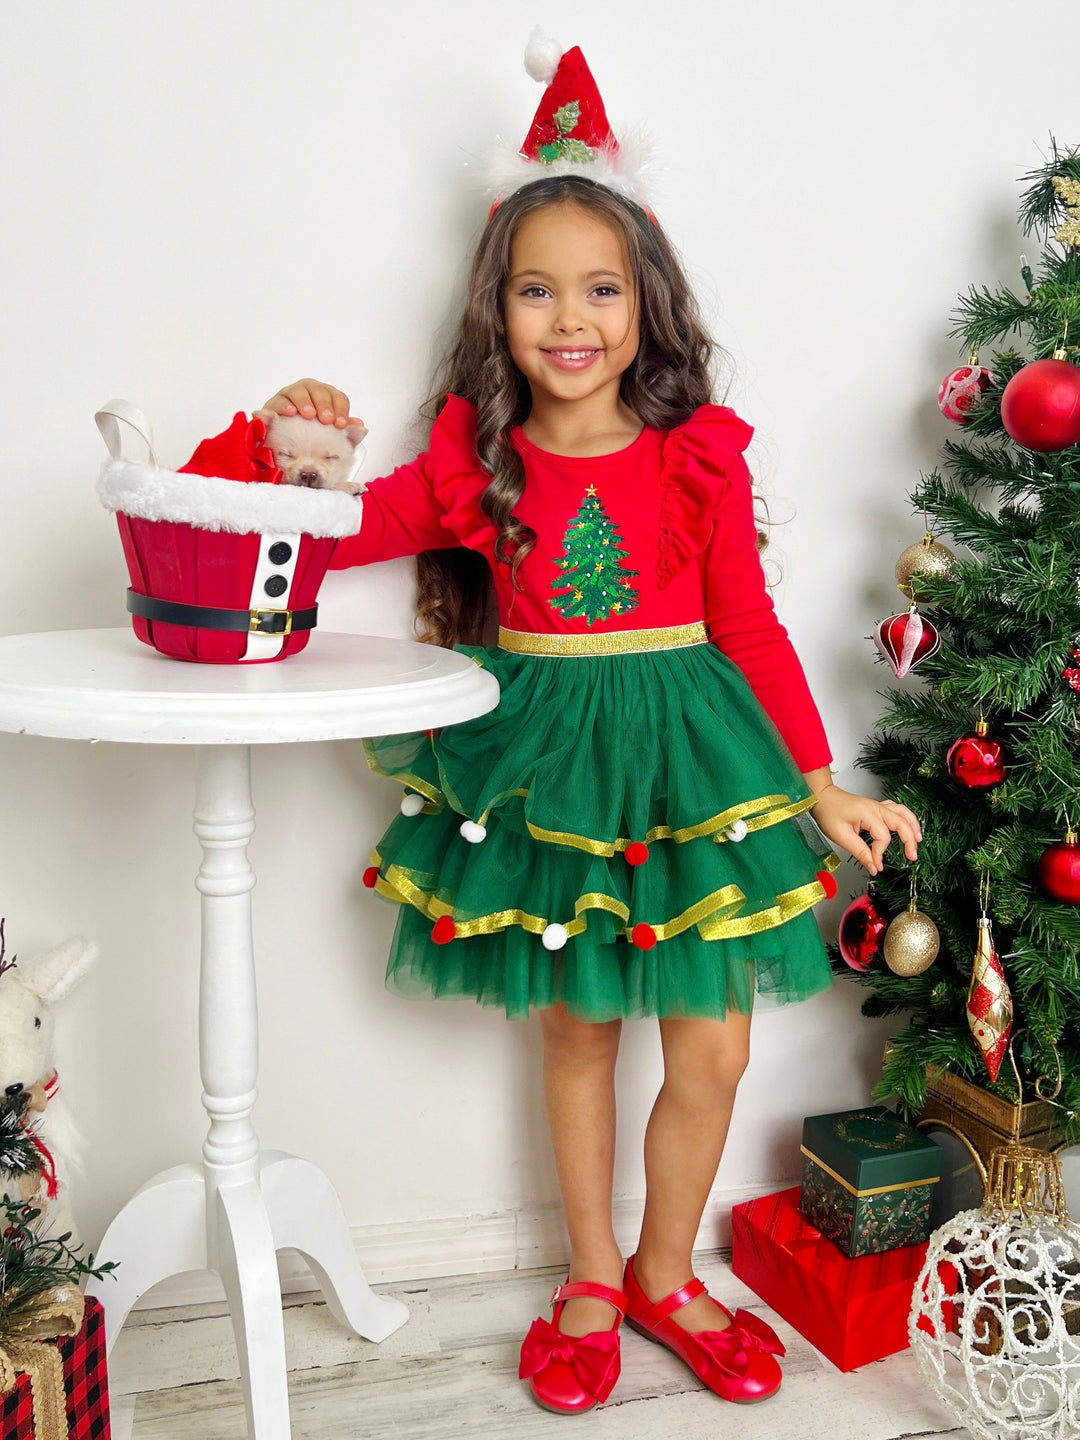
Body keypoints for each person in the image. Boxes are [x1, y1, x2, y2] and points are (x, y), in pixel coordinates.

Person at [263, 35, 921, 1418]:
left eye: (602, 288)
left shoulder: (694, 455)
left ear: (646, 303)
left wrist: (820, 784)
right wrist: (289, 448)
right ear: (496, 311)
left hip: (692, 763)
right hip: (549, 768)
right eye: (537, 289)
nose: (572, 318)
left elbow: (747, 626)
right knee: (575, 1032)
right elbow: (317, 535)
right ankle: (591, 1276)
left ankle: (670, 1274)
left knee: (714, 1044)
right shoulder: (475, 463)